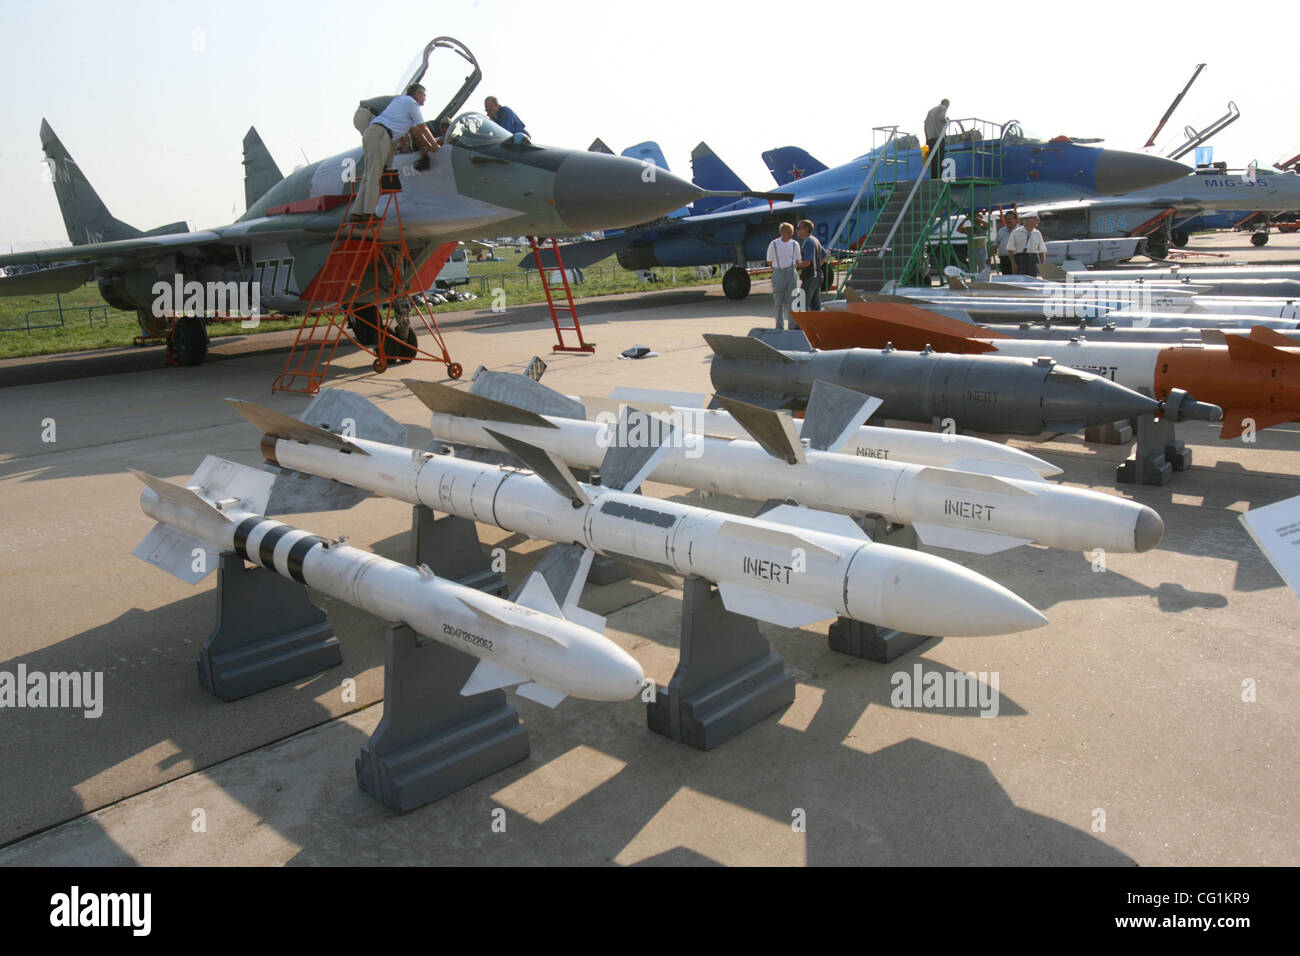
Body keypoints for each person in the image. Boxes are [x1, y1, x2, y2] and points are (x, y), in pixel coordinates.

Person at [352, 84, 440, 222]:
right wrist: (435, 146)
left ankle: (356, 213)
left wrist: (427, 145)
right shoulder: (411, 103)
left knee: (368, 175)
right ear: (417, 94)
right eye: (423, 95)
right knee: (375, 174)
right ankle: (368, 213)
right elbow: (422, 127)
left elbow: (415, 131)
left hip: (373, 132)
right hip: (381, 135)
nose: (425, 99)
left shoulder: (400, 103)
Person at [766, 222, 801, 330]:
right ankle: (779, 326)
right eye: (788, 232)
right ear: (781, 232)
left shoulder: (795, 244)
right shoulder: (773, 244)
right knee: (778, 302)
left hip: (791, 272)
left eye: (791, 232)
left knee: (793, 301)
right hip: (778, 272)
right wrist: (778, 269)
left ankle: (792, 326)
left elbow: (798, 260)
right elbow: (769, 261)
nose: (790, 234)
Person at [794, 219, 827, 311]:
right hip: (817, 275)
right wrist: (817, 265)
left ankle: (801, 325)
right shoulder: (815, 240)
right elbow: (825, 255)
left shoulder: (808, 242)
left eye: (799, 228)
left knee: (801, 304)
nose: (797, 230)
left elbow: (807, 262)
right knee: (815, 305)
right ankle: (816, 324)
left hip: (810, 276)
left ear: (806, 229)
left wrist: (797, 264)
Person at [925, 98, 949, 179]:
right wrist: (947, 121)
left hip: (931, 137)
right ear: (946, 104)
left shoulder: (931, 111)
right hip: (939, 136)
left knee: (933, 159)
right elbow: (942, 118)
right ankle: (939, 177)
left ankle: (933, 177)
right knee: (940, 157)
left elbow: (925, 125)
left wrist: (927, 138)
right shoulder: (943, 108)